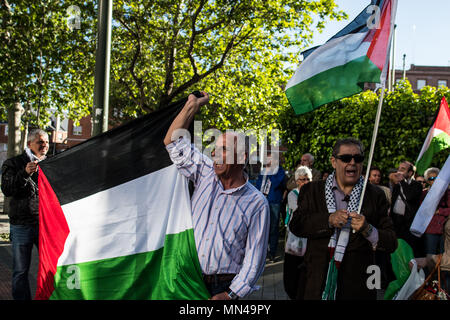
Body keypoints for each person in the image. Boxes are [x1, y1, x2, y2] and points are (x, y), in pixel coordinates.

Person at [164, 92, 270, 300]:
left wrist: (231, 294)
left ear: (242, 157)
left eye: (223, 150)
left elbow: (254, 258)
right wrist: (191, 107)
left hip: (224, 286)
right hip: (189, 278)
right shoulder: (204, 172)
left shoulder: (257, 203)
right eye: (214, 149)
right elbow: (172, 142)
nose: (213, 154)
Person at [289, 138, 397, 300]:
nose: (352, 163)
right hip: (318, 281)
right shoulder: (312, 191)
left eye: (358, 158)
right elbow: (296, 225)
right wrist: (328, 220)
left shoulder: (375, 195)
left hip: (360, 285)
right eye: (346, 158)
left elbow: (391, 242)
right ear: (334, 162)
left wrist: (368, 230)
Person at [1, 129, 49, 300]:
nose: (44, 146)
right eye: (40, 142)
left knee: (51, 266)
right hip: (21, 225)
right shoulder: (13, 163)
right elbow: (7, 190)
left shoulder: (51, 164)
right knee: (21, 270)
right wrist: (24, 173)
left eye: (46, 142)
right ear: (30, 144)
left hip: (45, 226)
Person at [283, 166, 311, 300]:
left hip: (309, 237)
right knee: (293, 269)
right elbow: (298, 210)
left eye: (308, 179)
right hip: (295, 236)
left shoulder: (313, 194)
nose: (306, 182)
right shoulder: (292, 194)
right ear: (297, 181)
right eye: (303, 179)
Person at [254, 150, 286, 262]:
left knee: (273, 228)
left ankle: (272, 252)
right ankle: (263, 251)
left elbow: (277, 183)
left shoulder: (279, 171)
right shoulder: (263, 171)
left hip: (273, 202)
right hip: (262, 201)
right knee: (262, 227)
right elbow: (258, 184)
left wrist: (271, 172)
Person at [390, 161, 424, 257]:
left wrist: (402, 182)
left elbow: (409, 196)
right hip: (396, 222)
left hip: (408, 224)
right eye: (399, 168)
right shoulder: (397, 185)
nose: (399, 171)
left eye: (403, 169)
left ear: (410, 173)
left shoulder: (417, 185)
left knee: (409, 250)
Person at [421, 168, 450, 268]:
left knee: (445, 257)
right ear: (428, 181)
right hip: (431, 230)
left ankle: (442, 281)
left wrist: (439, 211)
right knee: (430, 257)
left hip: (444, 229)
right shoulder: (424, 194)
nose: (434, 180)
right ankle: (430, 280)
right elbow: (422, 211)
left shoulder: (447, 192)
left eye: (436, 177)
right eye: (431, 178)